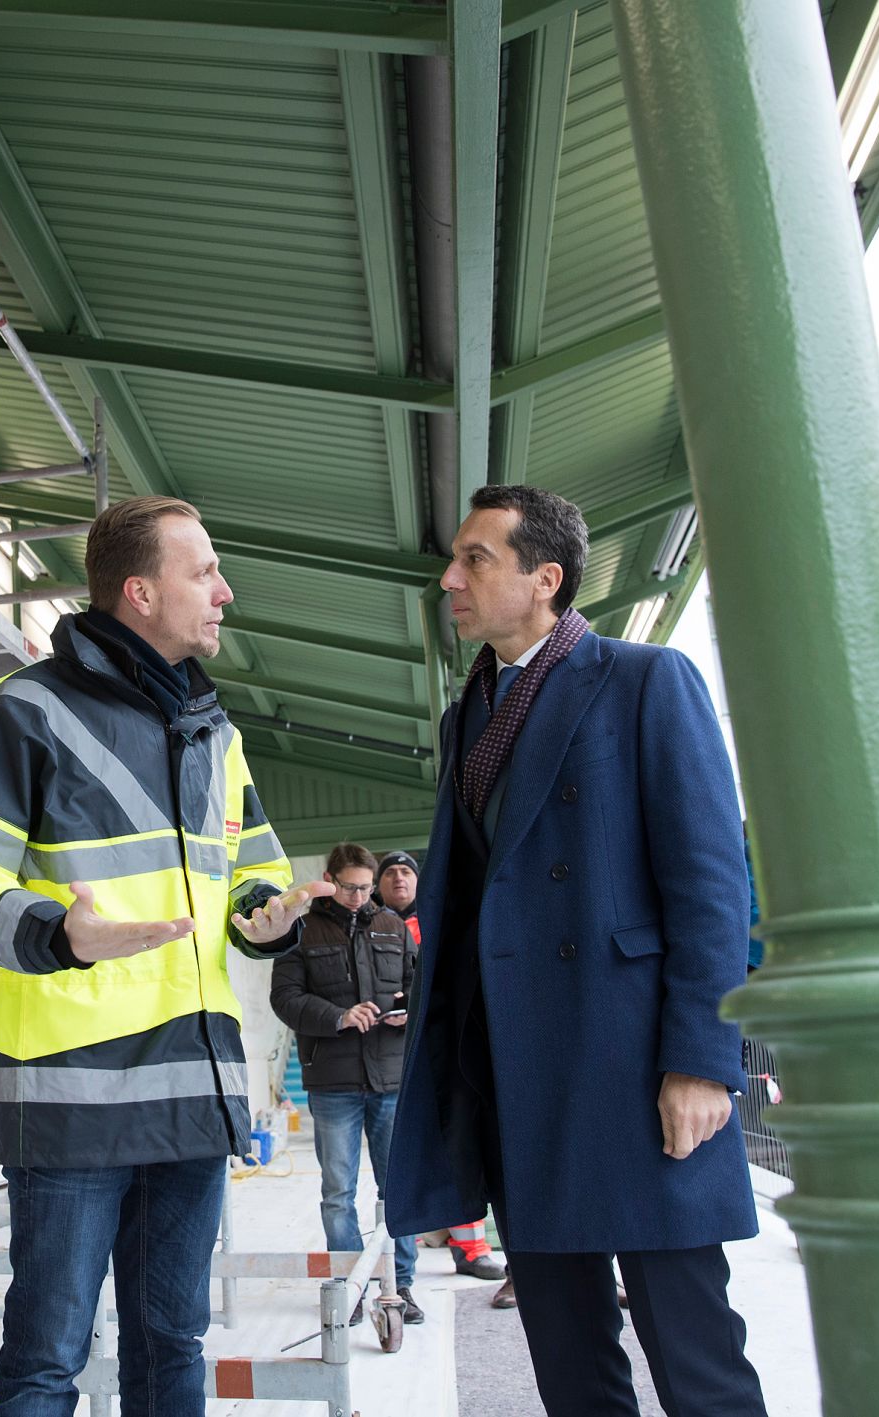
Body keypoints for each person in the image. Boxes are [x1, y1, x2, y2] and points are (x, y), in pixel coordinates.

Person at [0, 496, 328, 1416]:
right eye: (203, 571)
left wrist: (265, 913)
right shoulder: (29, 711)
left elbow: (252, 869)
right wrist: (53, 930)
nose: (226, 590)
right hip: (74, 1097)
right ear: (140, 592)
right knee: (47, 1360)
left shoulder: (219, 735)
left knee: (173, 1345)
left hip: (190, 1093)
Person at [386, 485, 767, 1416]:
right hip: (518, 1074)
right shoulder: (466, 715)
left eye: (477, 558)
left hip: (633, 1067)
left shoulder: (645, 679)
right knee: (567, 1356)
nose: (451, 579)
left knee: (694, 1352)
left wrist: (703, 1060)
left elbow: (712, 886)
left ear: (545, 578)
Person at [270, 843, 424, 1327]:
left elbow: (419, 983)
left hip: (390, 1075)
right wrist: (338, 1017)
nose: (357, 896)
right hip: (332, 1079)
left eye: (364, 887)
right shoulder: (301, 931)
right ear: (329, 878)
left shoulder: (393, 927)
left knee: (395, 1186)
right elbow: (284, 998)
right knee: (338, 1191)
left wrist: (407, 1011)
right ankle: (349, 1286)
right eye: (348, 886)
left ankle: (400, 1286)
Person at [375, 848, 508, 1290]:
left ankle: (475, 1250)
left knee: (468, 1150)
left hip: (450, 1048)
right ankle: (409, 1267)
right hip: (390, 1060)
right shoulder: (373, 925)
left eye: (406, 872)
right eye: (389, 872)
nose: (399, 879)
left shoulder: (437, 918)